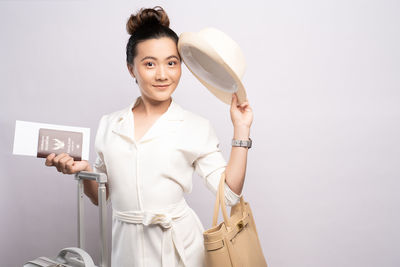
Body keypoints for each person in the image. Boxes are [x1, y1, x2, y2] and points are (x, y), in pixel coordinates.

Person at [45, 6, 253, 267]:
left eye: (172, 63)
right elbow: (101, 197)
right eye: (150, 64)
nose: (163, 74)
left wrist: (241, 129)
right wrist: (86, 170)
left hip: (182, 252)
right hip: (127, 252)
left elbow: (230, 197)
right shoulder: (109, 124)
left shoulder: (195, 126)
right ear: (132, 69)